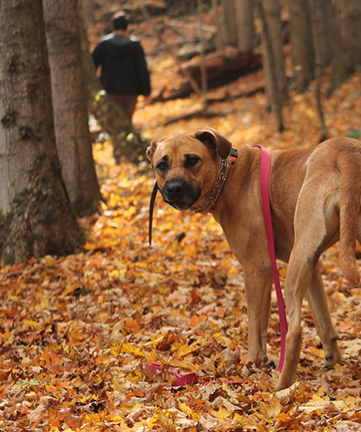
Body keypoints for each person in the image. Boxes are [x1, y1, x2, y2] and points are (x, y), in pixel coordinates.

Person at [92, 12, 151, 124]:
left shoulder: (103, 45)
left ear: (112, 27)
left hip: (110, 90)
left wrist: (95, 87)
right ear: (127, 27)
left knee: (116, 123)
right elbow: (142, 69)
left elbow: (92, 66)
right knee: (127, 121)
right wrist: (146, 92)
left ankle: (121, 141)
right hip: (131, 91)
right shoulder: (135, 46)